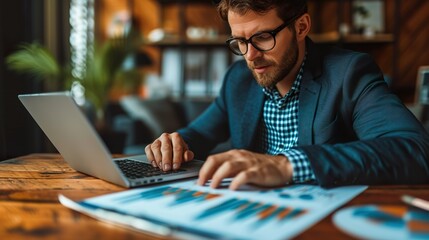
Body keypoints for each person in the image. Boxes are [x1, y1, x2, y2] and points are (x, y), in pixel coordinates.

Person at [145, 0, 429, 190]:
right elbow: (198, 134)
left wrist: (288, 164)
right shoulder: (238, 80)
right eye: (240, 41)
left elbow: (415, 151)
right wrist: (174, 143)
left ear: (301, 27)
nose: (251, 56)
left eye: (262, 37)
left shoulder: (349, 73)